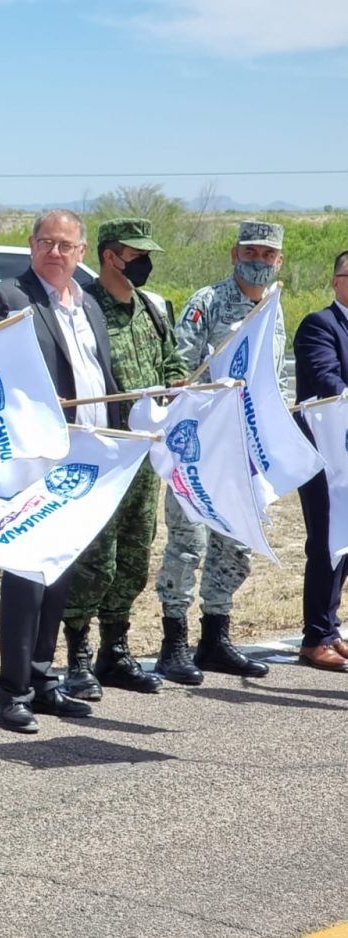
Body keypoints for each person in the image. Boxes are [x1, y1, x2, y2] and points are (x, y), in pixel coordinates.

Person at [0, 209, 122, 733]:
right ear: (31, 244)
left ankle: (41, 680)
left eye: (65, 245)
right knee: (26, 574)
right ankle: (11, 690)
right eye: (45, 242)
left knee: (58, 572)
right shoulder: (8, 297)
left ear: (81, 252)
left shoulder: (89, 305)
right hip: (34, 459)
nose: (54, 252)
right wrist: (35, 402)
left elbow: (100, 373)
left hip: (85, 459)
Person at [60, 218, 190, 699]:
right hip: (102, 456)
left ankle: (114, 651)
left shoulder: (151, 309)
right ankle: (76, 655)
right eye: (137, 256)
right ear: (110, 256)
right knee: (96, 560)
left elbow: (171, 361)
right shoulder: (85, 308)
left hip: (144, 456)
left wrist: (176, 382)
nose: (144, 264)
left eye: (147, 255)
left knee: (134, 556)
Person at [155, 220, 287, 679]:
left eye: (267, 255)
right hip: (201, 444)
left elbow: (273, 381)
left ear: (279, 261)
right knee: (188, 544)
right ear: (234, 255)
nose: (258, 262)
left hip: (245, 451)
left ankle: (215, 639)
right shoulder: (207, 302)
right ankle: (173, 643)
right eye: (250, 253)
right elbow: (179, 373)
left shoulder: (272, 308)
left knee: (236, 545)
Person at [292, 251, 348, 670]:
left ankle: (331, 627)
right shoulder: (319, 325)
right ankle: (315, 638)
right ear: (335, 281)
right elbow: (326, 378)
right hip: (325, 453)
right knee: (327, 542)